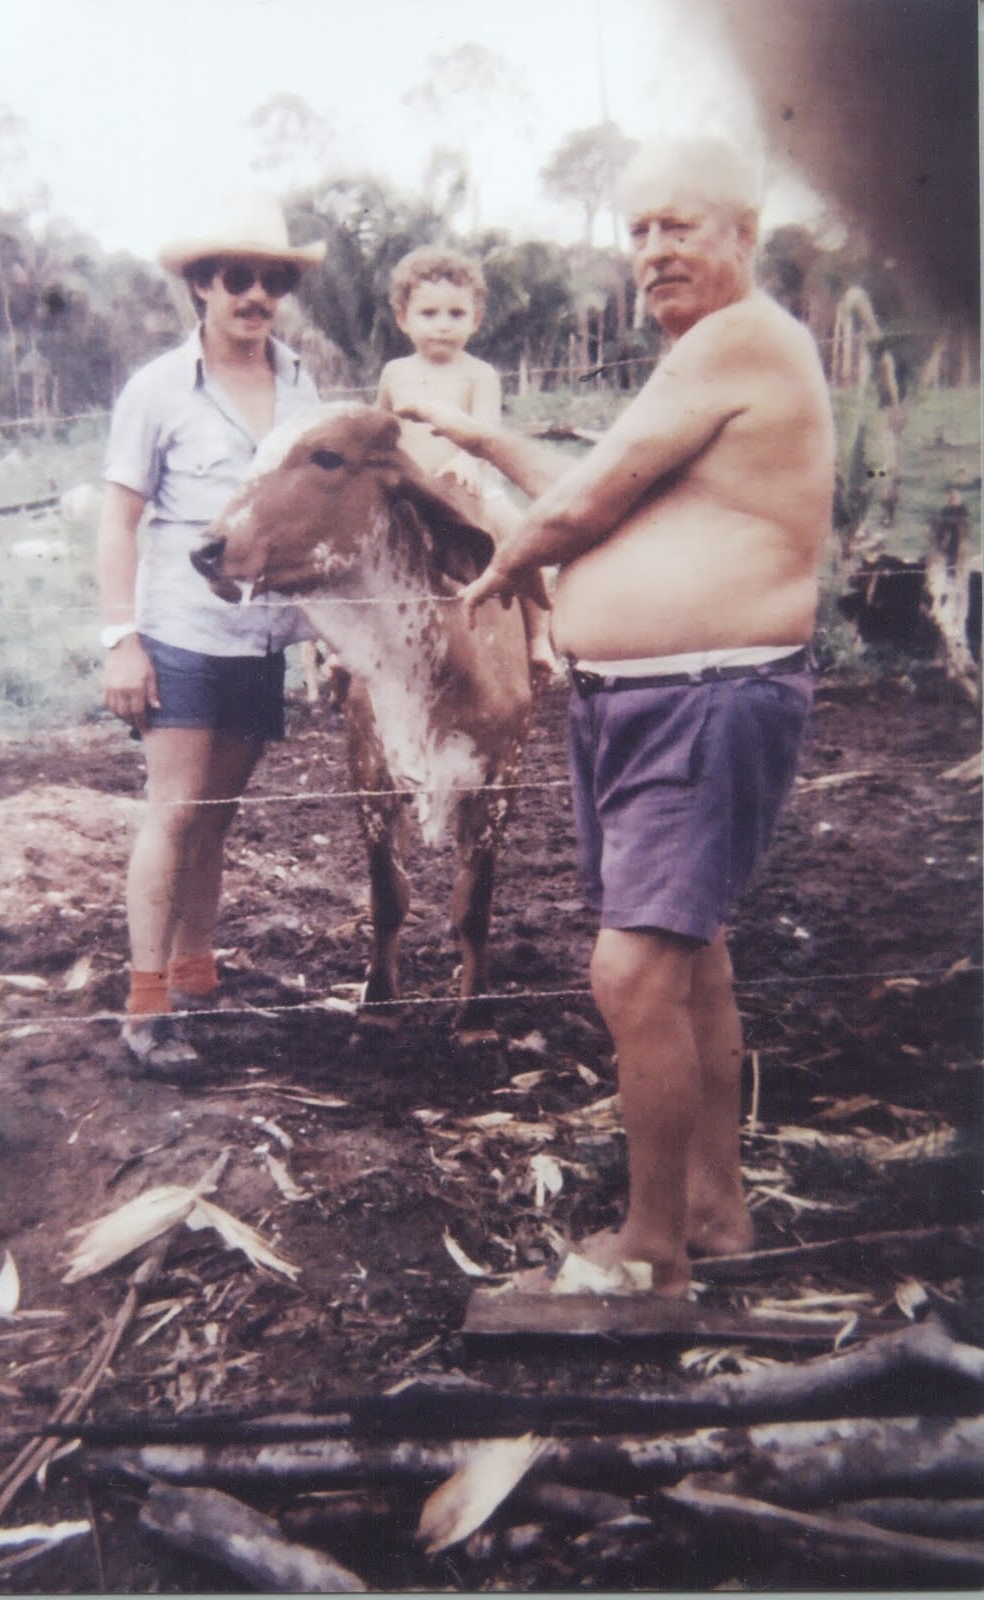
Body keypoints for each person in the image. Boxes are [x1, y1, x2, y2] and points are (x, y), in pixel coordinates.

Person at [401, 138, 836, 1296]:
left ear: (744, 232)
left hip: (705, 695)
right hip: (649, 701)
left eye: (678, 227)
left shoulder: (746, 336)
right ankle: (713, 1209)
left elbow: (588, 500)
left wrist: (500, 570)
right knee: (687, 968)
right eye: (637, 231)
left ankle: (653, 1253)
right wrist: (484, 438)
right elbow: (604, 481)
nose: (652, 252)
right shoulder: (703, 359)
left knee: (634, 973)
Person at [96, 188, 326, 1073]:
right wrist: (122, 637)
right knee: (176, 808)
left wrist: (319, 637)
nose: (255, 296)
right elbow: (119, 520)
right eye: (237, 278)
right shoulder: (157, 389)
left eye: (271, 281)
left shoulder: (299, 384)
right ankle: (145, 1005)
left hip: (263, 634)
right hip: (184, 631)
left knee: (218, 818)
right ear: (200, 284)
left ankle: (195, 978)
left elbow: (307, 517)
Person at [378, 246, 557, 688]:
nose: (443, 323)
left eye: (456, 313)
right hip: (412, 494)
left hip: (471, 487)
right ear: (404, 318)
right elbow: (381, 429)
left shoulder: (478, 374)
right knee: (366, 550)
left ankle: (539, 637)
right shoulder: (395, 373)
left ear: (475, 320)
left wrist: (464, 457)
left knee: (521, 533)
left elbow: (485, 431)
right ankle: (349, 652)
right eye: (429, 312)